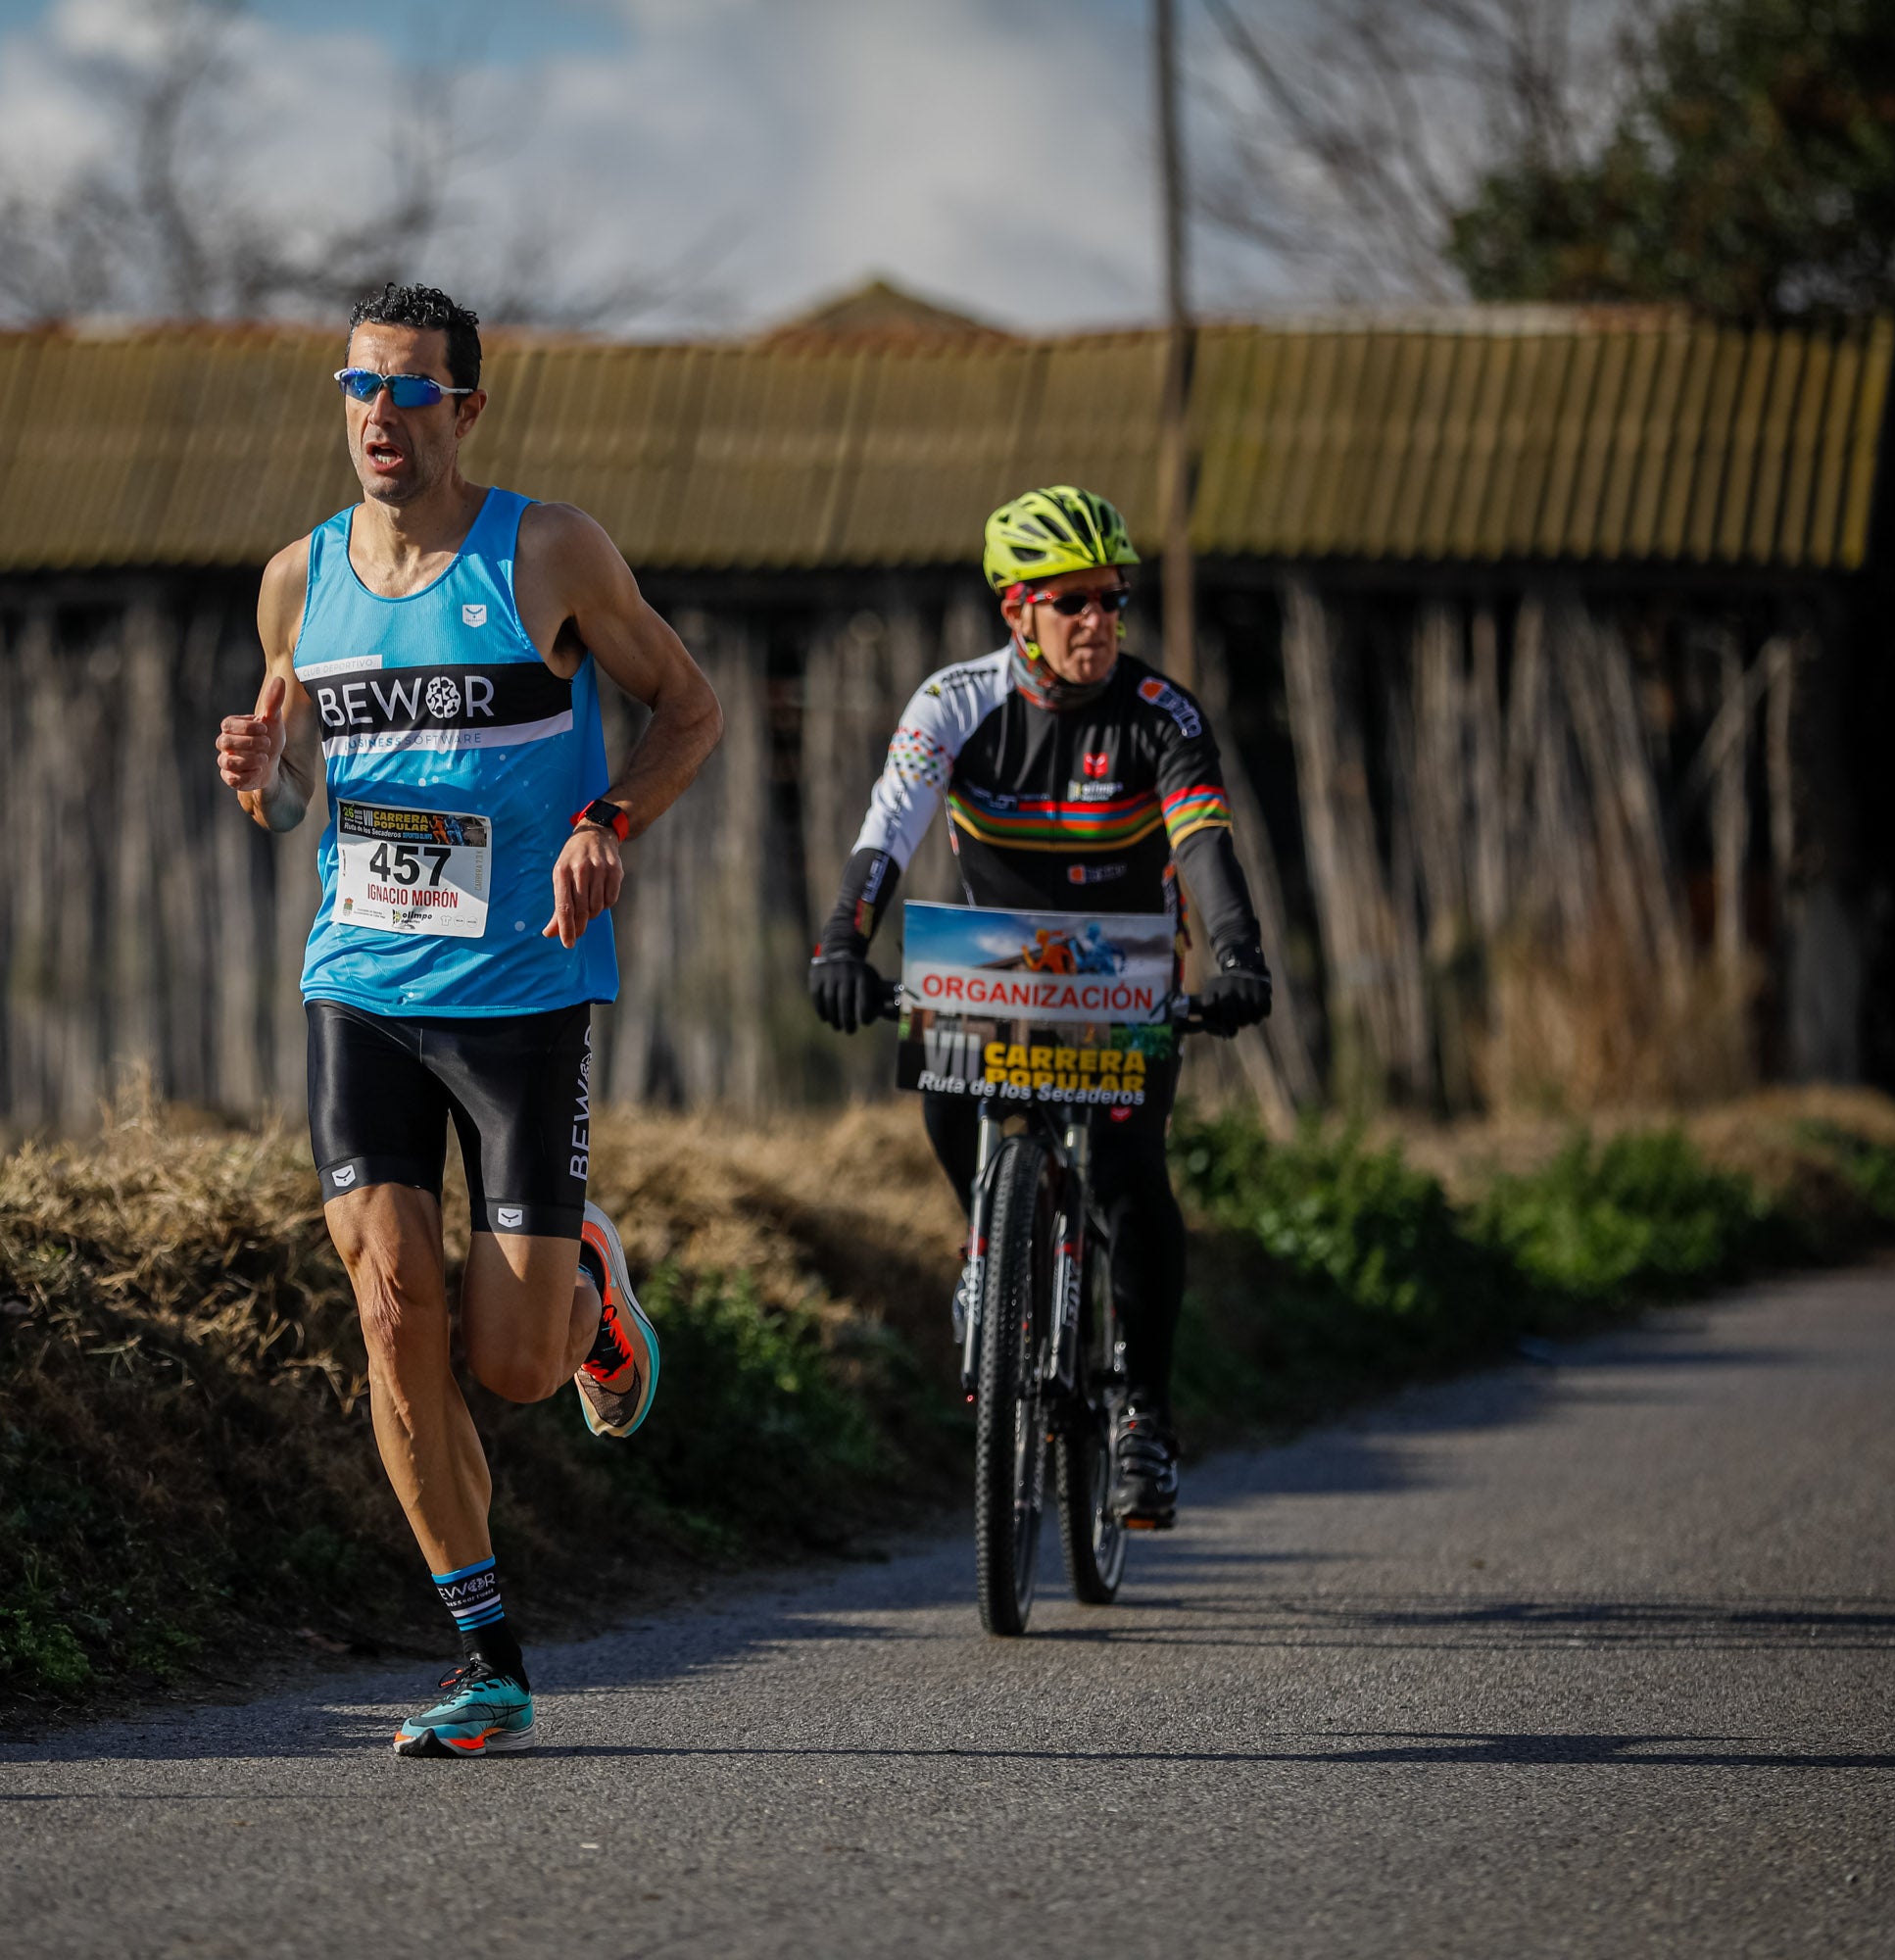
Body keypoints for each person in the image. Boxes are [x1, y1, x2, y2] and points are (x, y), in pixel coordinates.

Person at [216, 282, 719, 1755]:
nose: (381, 416)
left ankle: (590, 1287)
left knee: (508, 1366)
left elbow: (687, 707)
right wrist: (260, 770)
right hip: (360, 987)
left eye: (412, 392)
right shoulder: (296, 583)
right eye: (359, 389)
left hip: (524, 998)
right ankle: (486, 1652)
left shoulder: (549, 551)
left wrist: (609, 816)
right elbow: (290, 796)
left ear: (465, 409)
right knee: (387, 1307)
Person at [806, 486, 1272, 1531]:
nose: (1098, 622)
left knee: (1127, 1172)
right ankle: (990, 1248)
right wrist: (843, 941)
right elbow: (890, 827)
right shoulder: (953, 704)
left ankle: (1144, 1413)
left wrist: (1239, 954)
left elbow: (1204, 844)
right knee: (941, 1088)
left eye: (1112, 599)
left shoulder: (1162, 716)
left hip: (1123, 970)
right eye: (1071, 602)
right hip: (995, 966)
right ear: (1016, 610)